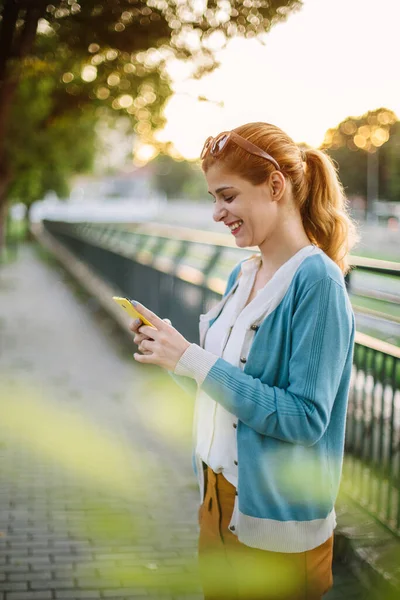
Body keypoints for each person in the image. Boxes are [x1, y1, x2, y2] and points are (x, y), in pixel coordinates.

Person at [129, 122, 358, 600]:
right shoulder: (244, 272)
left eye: (228, 196)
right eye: (214, 198)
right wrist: (176, 355)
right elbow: (226, 394)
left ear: (275, 186)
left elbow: (303, 418)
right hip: (215, 503)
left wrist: (196, 360)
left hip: (274, 526)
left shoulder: (317, 281)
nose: (217, 212)